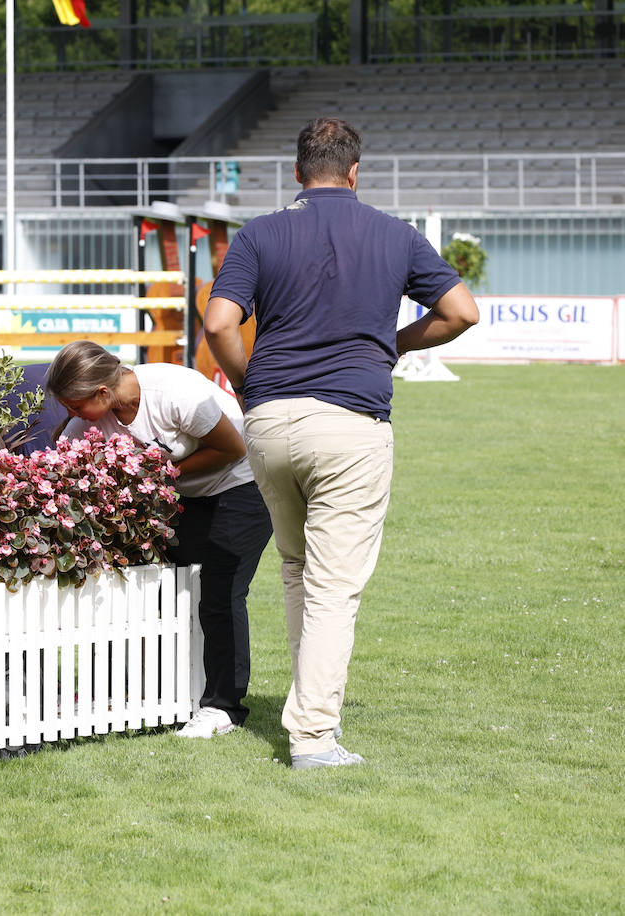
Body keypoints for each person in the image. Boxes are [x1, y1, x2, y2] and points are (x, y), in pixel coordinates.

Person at [203, 117, 479, 769]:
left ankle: (307, 711)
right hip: (349, 423)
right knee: (332, 585)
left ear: (297, 172)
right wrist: (395, 345)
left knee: (298, 570)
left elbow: (218, 323)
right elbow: (462, 311)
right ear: (355, 172)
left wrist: (251, 386)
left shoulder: (260, 234)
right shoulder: (394, 234)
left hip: (269, 423)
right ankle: (313, 738)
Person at [45, 340, 273, 738]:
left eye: (76, 405)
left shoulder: (174, 393)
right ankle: (159, 693)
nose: (72, 415)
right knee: (162, 592)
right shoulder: (91, 421)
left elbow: (232, 447)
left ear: (102, 392)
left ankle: (223, 707)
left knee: (221, 591)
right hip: (185, 495)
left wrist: (157, 472)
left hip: (244, 481)